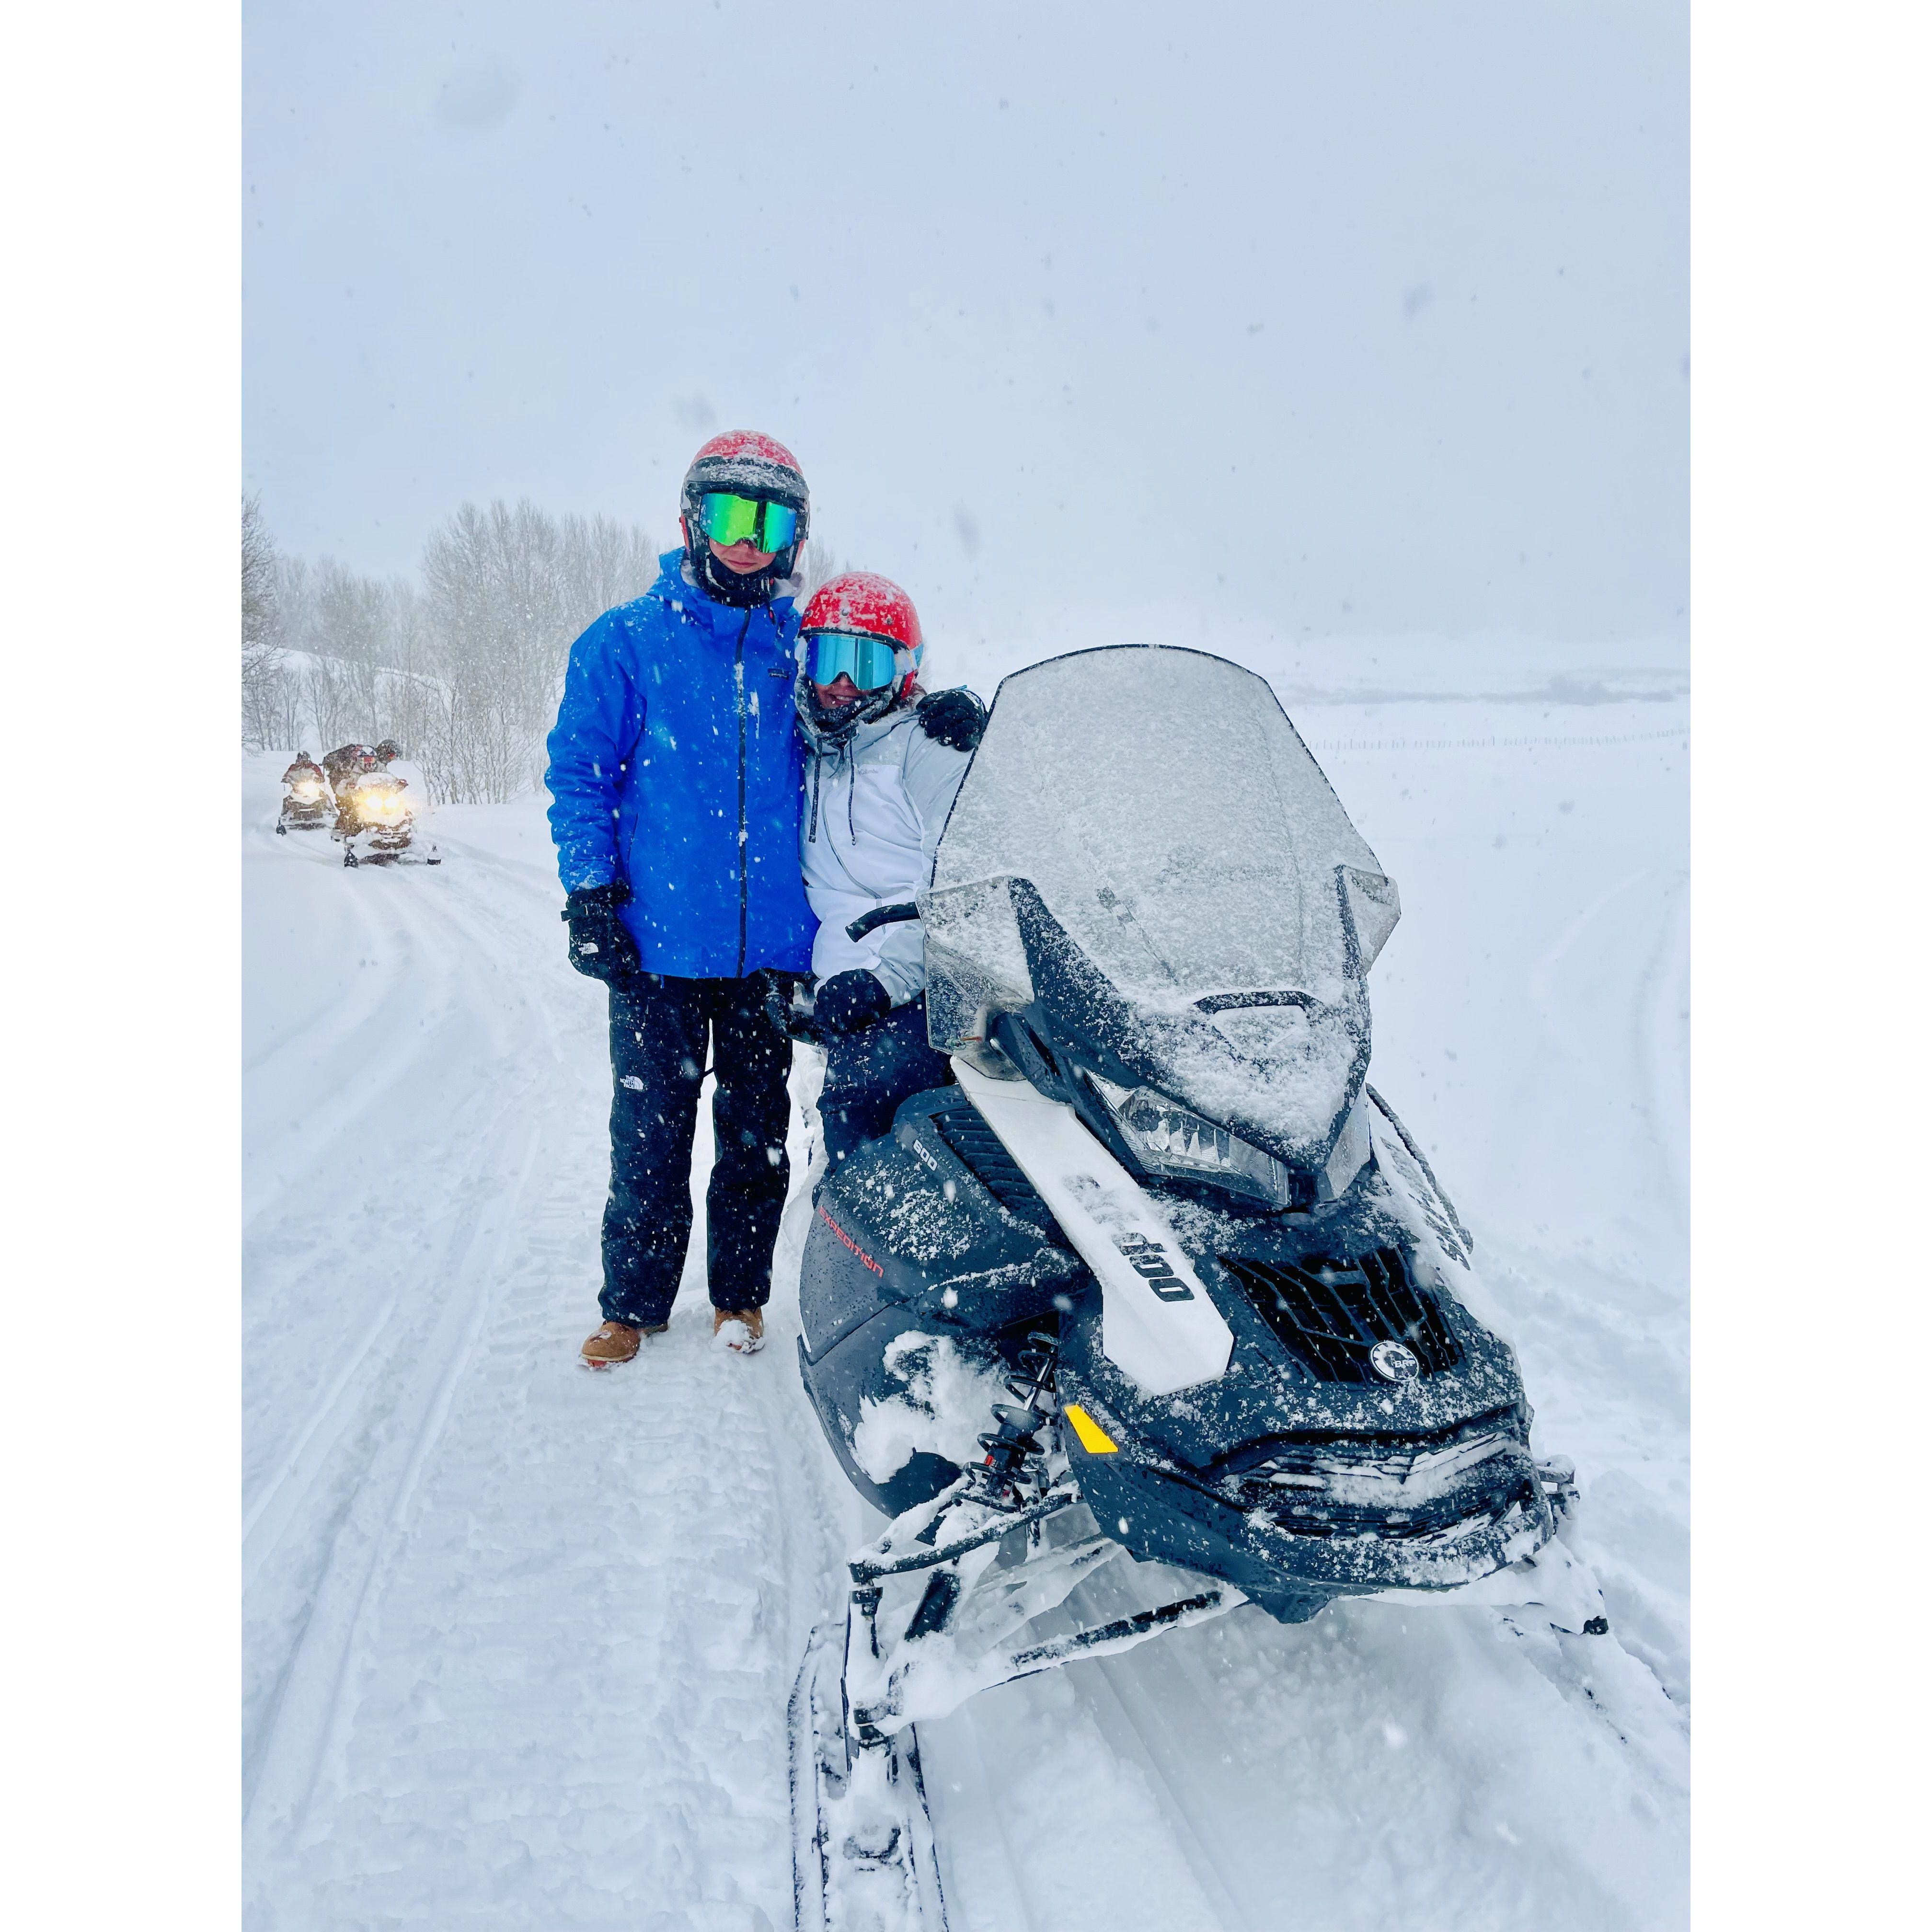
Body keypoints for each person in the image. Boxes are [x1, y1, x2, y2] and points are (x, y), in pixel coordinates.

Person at [546, 431, 816, 1368]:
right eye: (731, 516)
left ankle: (739, 1300)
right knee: (652, 1138)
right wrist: (590, 891)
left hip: (769, 952)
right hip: (657, 945)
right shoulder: (627, 640)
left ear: (794, 536)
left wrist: (943, 727)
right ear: (692, 522)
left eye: (769, 519)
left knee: (756, 1138)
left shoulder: (804, 651)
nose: (748, 539)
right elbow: (579, 775)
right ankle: (634, 1306)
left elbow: (876, 729)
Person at [777, 572, 986, 1167]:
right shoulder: (801, 742)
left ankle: (866, 1223)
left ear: (902, 673)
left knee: (868, 1098)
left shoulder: (927, 744)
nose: (842, 685)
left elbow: (959, 881)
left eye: (864, 666)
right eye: (827, 659)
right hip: (839, 982)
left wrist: (886, 981)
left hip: (926, 979)